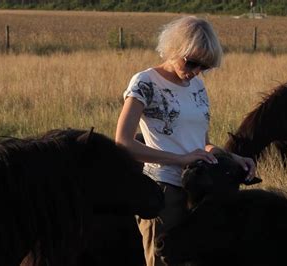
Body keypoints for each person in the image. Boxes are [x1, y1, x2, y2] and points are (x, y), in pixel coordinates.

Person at [115, 16, 256, 266]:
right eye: (191, 63)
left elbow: (202, 143)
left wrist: (234, 159)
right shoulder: (145, 82)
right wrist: (180, 159)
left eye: (204, 67)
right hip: (162, 192)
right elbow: (124, 142)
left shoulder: (197, 87)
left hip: (201, 191)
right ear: (173, 48)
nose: (195, 72)